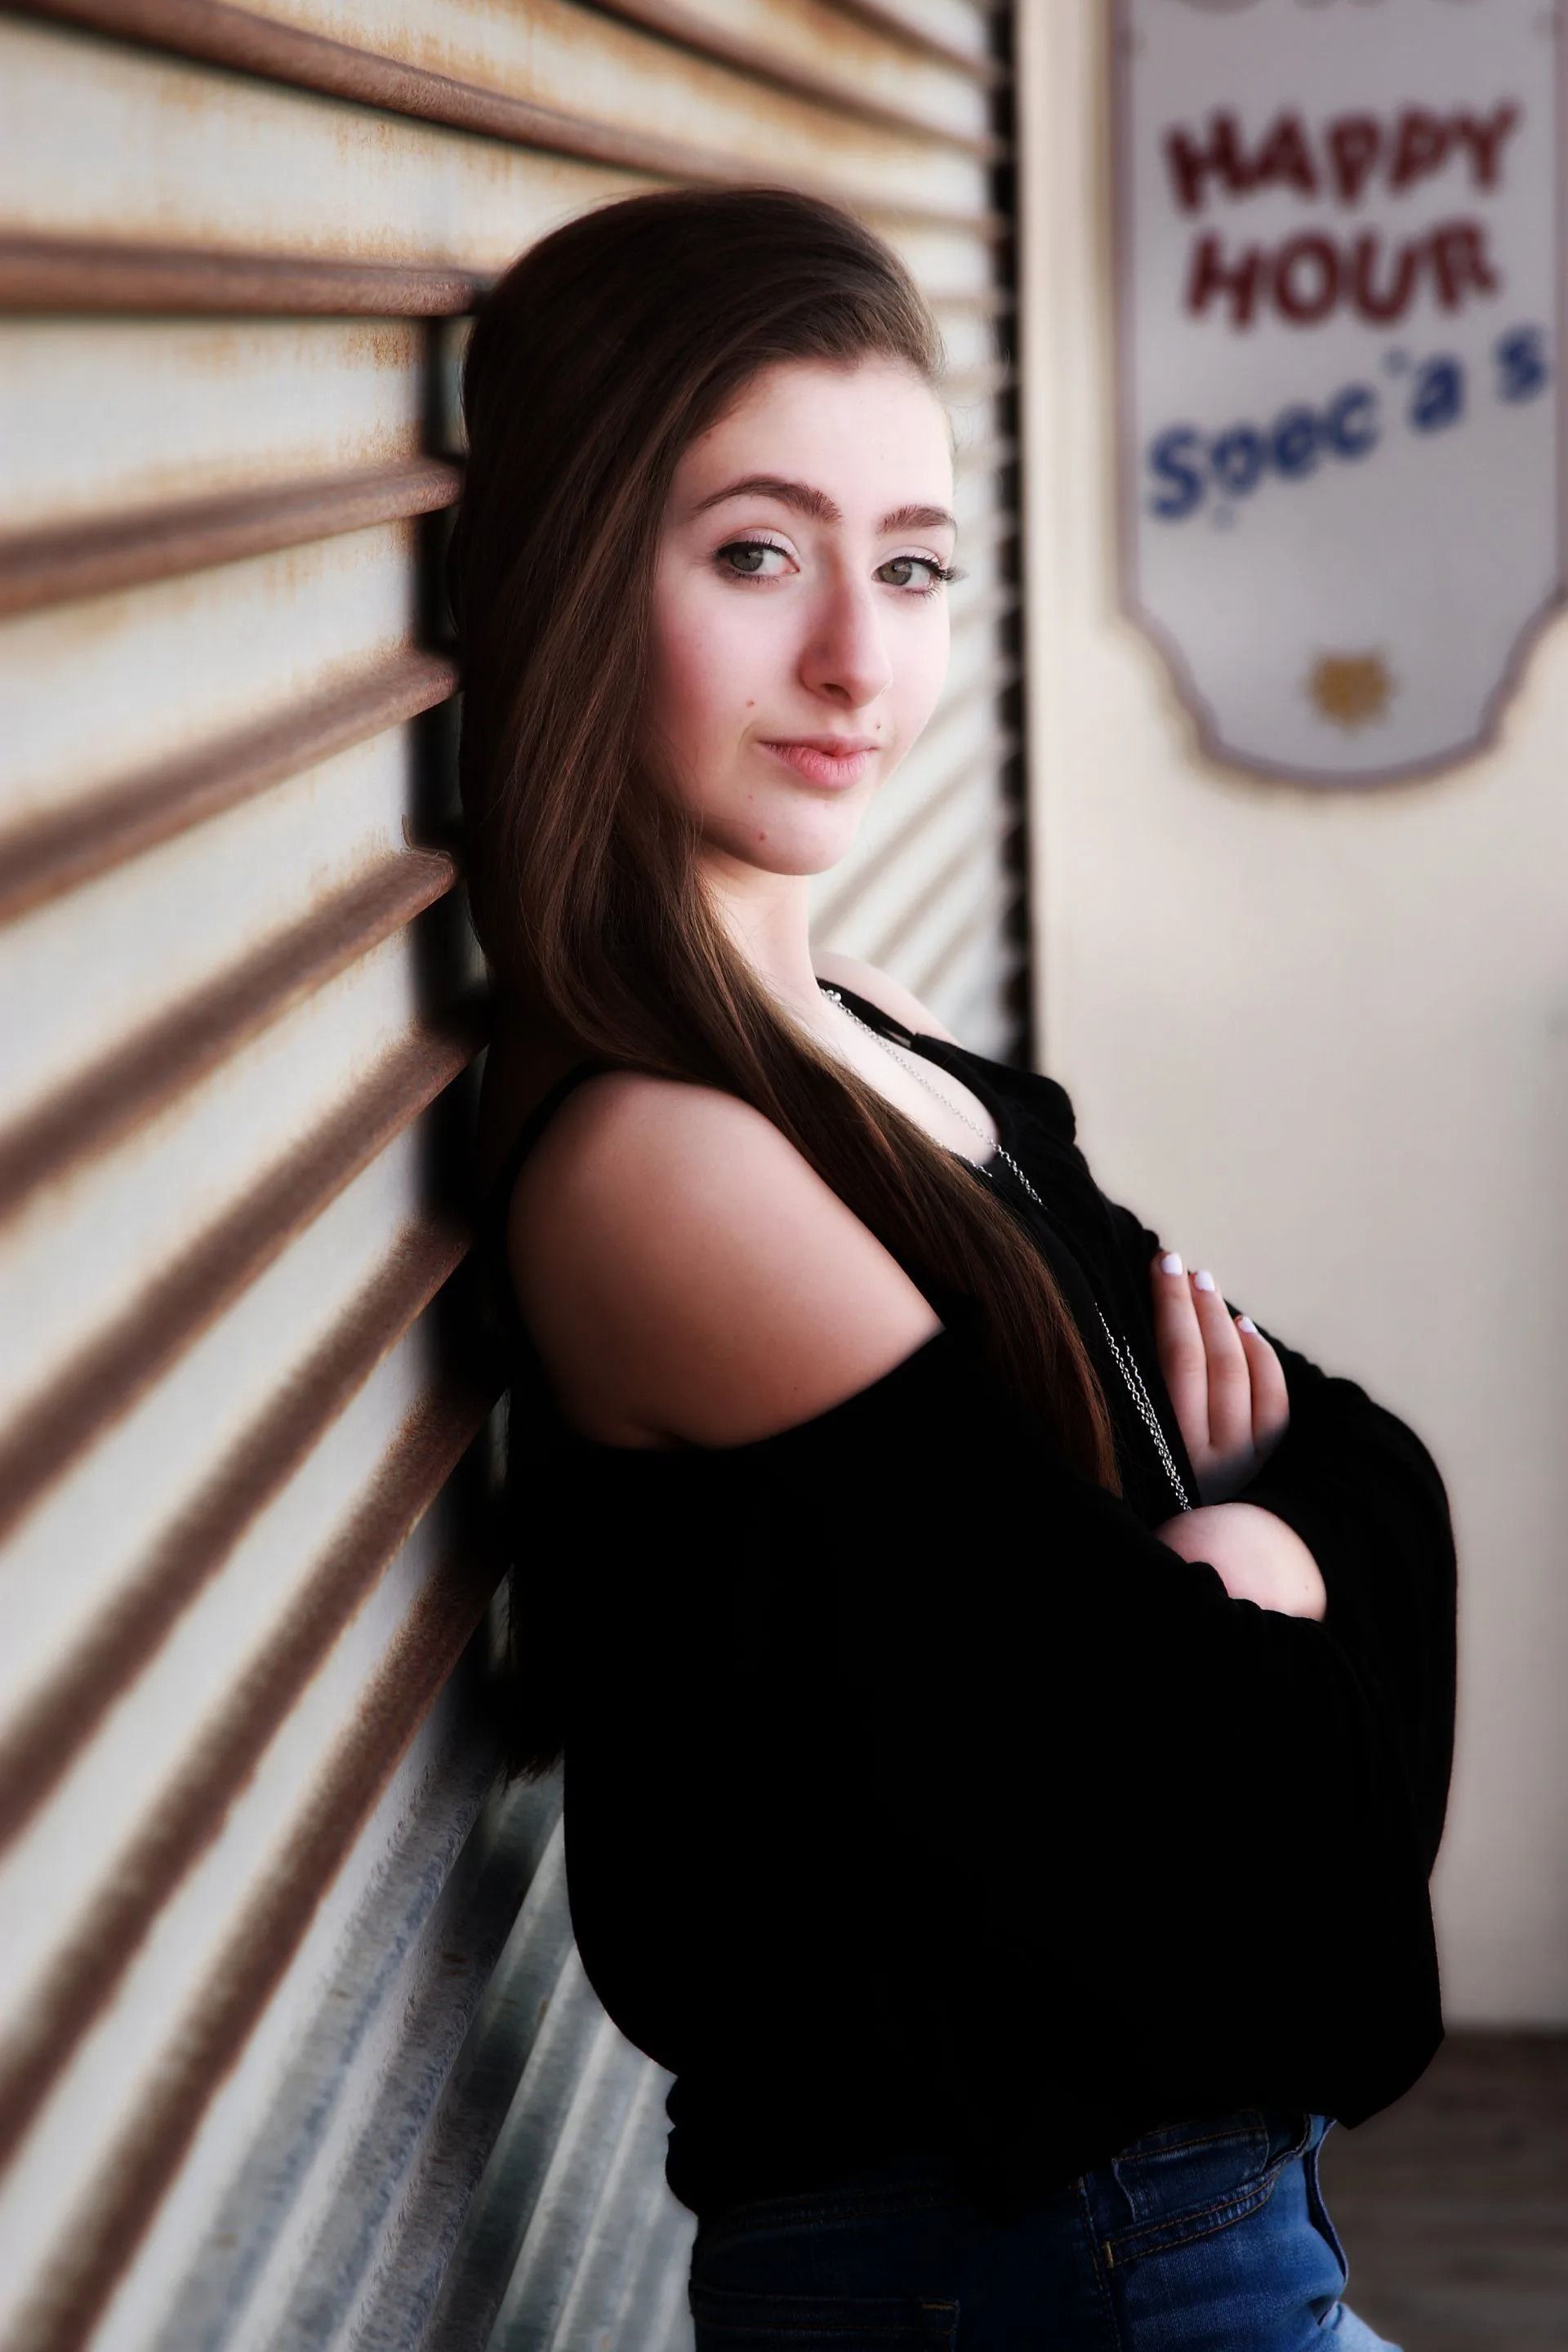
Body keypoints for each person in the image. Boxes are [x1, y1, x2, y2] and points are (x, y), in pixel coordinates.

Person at [445, 183, 1456, 2352]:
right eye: (756, 556)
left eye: (908, 568)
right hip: (1034, 2267)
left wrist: (1262, 1557)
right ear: (569, 575)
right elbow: (1194, 1797)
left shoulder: (872, 1038)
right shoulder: (662, 1167)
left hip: (1166, 2230)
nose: (857, 661)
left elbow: (1359, 1477)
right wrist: (1273, 1558)